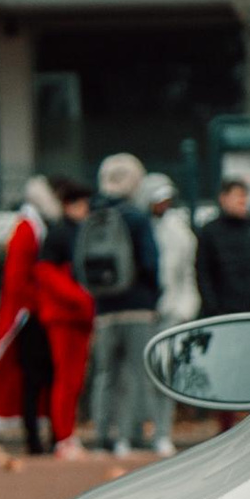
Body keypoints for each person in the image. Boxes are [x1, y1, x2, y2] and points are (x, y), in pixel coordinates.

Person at [0, 175, 95, 456]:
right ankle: (44, 437)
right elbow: (24, 277)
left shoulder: (44, 227)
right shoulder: (33, 227)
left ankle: (50, 436)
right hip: (34, 317)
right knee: (41, 379)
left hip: (41, 313)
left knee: (49, 378)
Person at [78, 152, 160, 458]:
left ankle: (102, 436)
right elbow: (151, 262)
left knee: (105, 374)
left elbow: (79, 268)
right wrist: (152, 296)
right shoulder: (137, 218)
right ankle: (133, 435)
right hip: (137, 305)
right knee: (138, 372)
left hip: (104, 308)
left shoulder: (93, 217)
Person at [142, 172, 198, 458]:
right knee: (138, 376)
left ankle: (162, 432)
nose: (162, 204)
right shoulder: (139, 227)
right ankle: (135, 431)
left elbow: (186, 273)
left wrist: (186, 308)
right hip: (143, 311)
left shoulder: (178, 229)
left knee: (165, 374)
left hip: (171, 312)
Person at [196, 173, 250, 315]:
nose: (242, 201)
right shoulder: (210, 231)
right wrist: (213, 307)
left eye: (245, 196)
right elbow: (203, 273)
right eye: (237, 196)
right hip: (226, 310)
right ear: (223, 198)